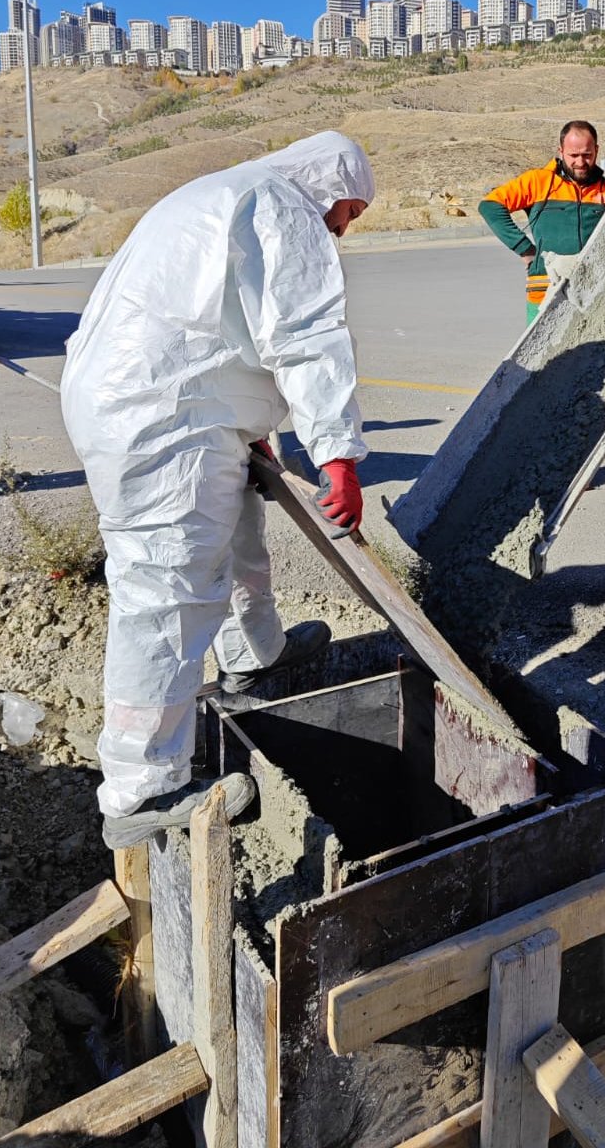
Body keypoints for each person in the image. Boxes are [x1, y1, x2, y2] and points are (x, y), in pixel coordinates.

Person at [61, 131, 374, 850]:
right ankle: (142, 791)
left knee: (237, 537)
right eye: (347, 213)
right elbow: (301, 334)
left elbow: (217, 326)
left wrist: (248, 418)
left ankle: (254, 652)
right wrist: (338, 456)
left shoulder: (222, 195)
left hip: (171, 404)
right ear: (329, 188)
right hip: (162, 422)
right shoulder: (284, 205)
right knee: (167, 591)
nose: (343, 230)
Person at [479, 119, 605, 323]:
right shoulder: (538, 182)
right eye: (573, 155)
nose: (580, 162)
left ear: (596, 150)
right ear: (561, 151)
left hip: (594, 290)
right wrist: (526, 250)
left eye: (587, 155)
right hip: (545, 290)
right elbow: (490, 206)